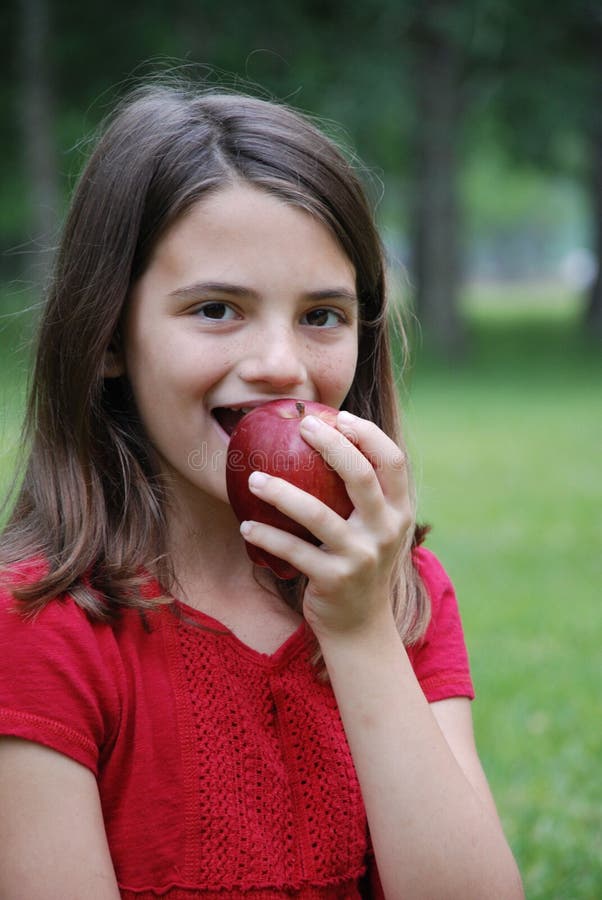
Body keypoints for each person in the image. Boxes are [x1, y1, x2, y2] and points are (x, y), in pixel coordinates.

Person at [0, 82, 523, 899]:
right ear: (106, 339)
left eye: (322, 315)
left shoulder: (404, 596)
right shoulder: (38, 628)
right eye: (216, 309)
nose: (282, 363)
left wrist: (359, 633)